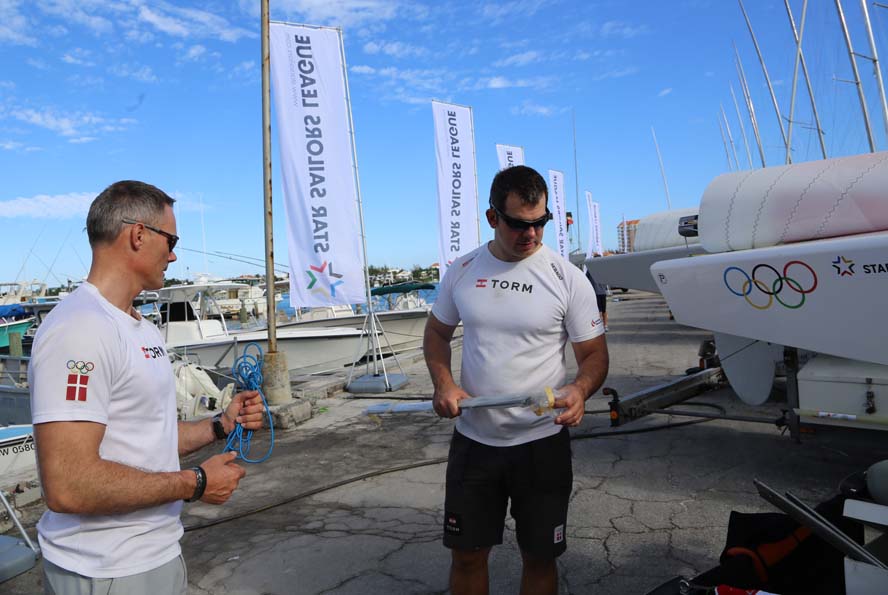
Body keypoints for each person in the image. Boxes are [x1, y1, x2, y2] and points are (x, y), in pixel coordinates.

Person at [29, 180, 266, 594]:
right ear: (138, 235)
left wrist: (220, 425)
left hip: (156, 554)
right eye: (170, 239)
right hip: (105, 570)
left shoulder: (141, 328)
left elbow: (144, 441)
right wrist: (195, 483)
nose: (174, 254)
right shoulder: (80, 328)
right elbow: (68, 484)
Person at [424, 165, 609, 595]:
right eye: (518, 224)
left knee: (540, 557)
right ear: (492, 218)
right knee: (467, 557)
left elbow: (594, 356)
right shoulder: (463, 269)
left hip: (541, 443)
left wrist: (580, 390)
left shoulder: (568, 278)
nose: (531, 235)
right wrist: (444, 383)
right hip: (475, 443)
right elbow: (436, 332)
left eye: (539, 223)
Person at [585, 266, 609, 331]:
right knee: (600, 311)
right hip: (596, 293)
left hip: (601, 292)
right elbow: (586, 280)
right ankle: (602, 326)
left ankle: (604, 325)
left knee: (602, 310)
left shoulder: (602, 271)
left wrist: (606, 289)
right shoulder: (590, 270)